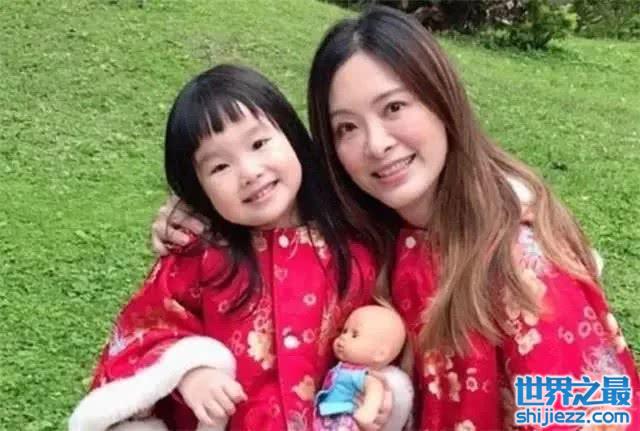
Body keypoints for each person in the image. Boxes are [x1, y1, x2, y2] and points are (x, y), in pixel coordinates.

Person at [153, 6, 640, 430]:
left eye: (394, 107)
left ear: (441, 99)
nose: (377, 144)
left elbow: (593, 415)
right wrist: (200, 212)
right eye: (347, 127)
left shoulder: (522, 263)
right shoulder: (373, 232)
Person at [70, 64, 383, 431]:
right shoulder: (198, 255)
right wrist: (190, 372)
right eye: (219, 166)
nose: (249, 172)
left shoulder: (354, 243)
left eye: (259, 143)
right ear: (197, 188)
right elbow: (143, 332)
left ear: (291, 135)